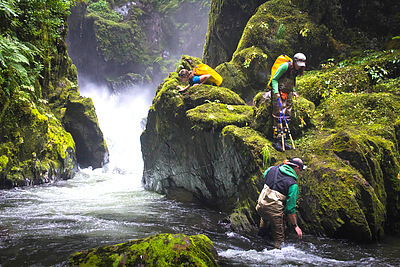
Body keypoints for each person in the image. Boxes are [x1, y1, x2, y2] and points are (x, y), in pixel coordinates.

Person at [255, 157, 306, 249]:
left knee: (264, 219)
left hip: (260, 205)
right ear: (296, 168)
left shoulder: (272, 169)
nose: (300, 173)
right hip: (273, 212)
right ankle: (276, 252)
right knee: (279, 241)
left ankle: (259, 241)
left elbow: (265, 175)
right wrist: (296, 226)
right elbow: (290, 209)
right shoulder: (292, 184)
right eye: (300, 170)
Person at [271, 53, 306, 151]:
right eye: (298, 64)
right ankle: (277, 140)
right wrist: (276, 92)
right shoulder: (285, 67)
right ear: (294, 61)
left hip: (288, 92)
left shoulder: (296, 70)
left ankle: (284, 139)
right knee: (279, 116)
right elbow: (274, 79)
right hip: (279, 92)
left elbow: (291, 81)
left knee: (287, 115)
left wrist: (294, 91)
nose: (300, 66)